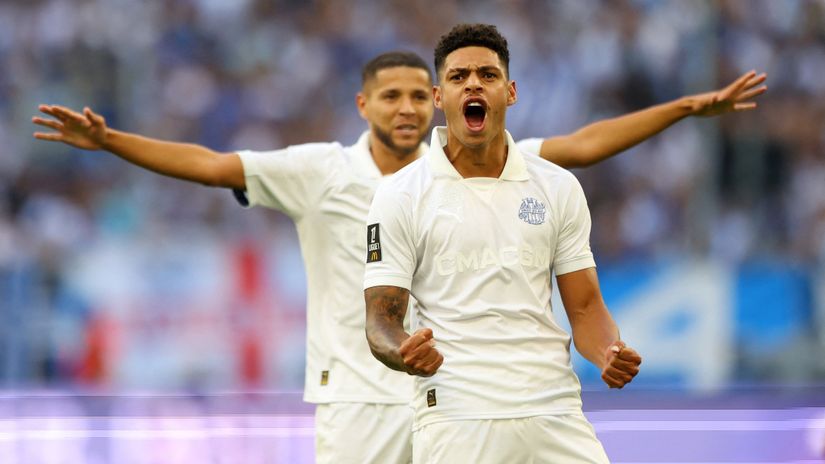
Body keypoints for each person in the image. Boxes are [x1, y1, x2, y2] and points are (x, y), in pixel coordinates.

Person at [32, 49, 765, 463]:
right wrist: (112, 142)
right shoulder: (320, 172)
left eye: (420, 94)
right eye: (391, 96)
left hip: (464, 402)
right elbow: (213, 164)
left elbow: (587, 142)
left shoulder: (486, 169)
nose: (407, 108)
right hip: (364, 399)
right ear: (362, 106)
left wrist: (682, 110)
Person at [363, 24, 640, 463]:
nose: (473, 83)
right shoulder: (400, 194)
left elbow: (585, 310)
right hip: (457, 417)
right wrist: (403, 351)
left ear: (510, 92)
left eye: (487, 75)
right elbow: (380, 320)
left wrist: (608, 350)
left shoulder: (557, 186)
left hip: (554, 412)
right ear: (439, 97)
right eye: (458, 77)